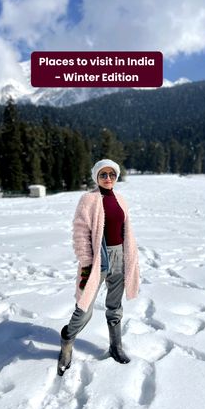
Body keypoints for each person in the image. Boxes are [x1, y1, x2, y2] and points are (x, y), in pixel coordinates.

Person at [57, 159, 140, 376]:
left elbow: (125, 230)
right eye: (103, 175)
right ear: (96, 177)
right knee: (85, 307)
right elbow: (79, 232)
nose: (108, 178)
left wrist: (128, 256)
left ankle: (116, 346)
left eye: (112, 174)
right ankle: (67, 341)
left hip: (120, 256)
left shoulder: (121, 200)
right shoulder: (89, 199)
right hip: (96, 261)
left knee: (115, 305)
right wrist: (86, 260)